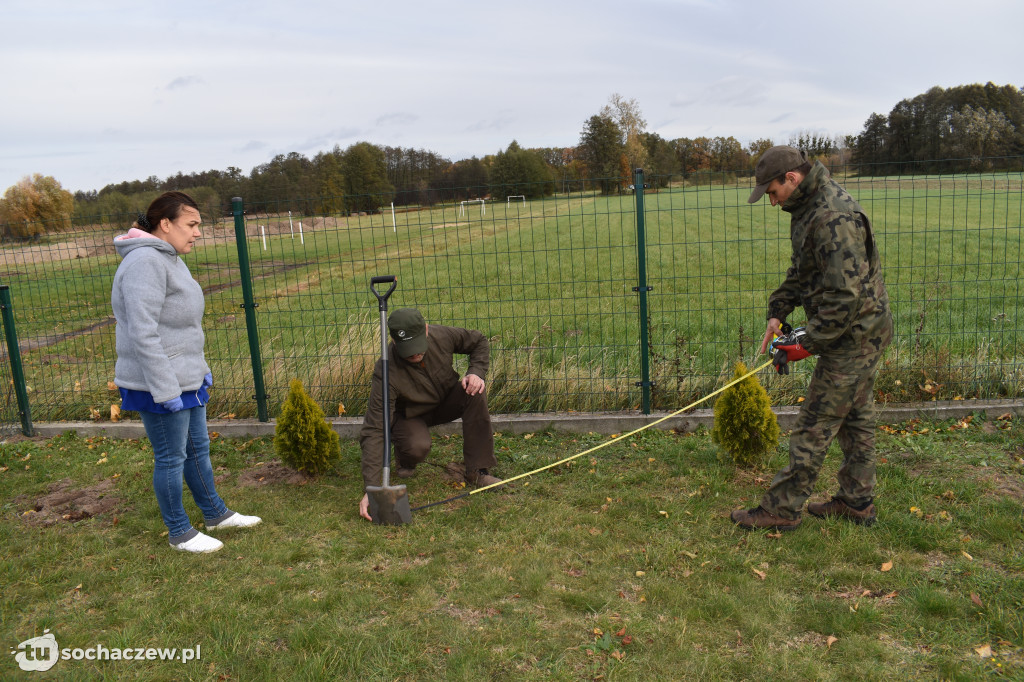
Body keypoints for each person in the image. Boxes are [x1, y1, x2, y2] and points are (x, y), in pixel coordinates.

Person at [730, 146, 893, 532]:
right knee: (855, 418)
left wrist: (806, 341)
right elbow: (805, 270)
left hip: (857, 334)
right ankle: (856, 502)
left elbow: (843, 298)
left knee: (814, 422)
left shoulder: (832, 217)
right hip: (853, 329)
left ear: (792, 177)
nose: (771, 201)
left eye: (771, 192)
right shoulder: (807, 208)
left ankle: (781, 510)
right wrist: (779, 309)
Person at [112, 191, 261, 553]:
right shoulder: (144, 262)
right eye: (191, 224)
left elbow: (181, 326)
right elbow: (143, 333)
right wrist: (166, 391)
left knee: (198, 450)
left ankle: (214, 513)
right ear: (166, 224)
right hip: (159, 384)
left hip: (185, 378)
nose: (197, 233)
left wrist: (198, 371)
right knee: (171, 457)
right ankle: (179, 532)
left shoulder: (170, 258)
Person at [358, 308, 501, 520]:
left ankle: (478, 470)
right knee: (417, 447)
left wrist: (475, 372)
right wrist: (372, 487)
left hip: (445, 402)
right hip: (411, 416)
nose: (415, 354)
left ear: (426, 330)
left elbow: (478, 340)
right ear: (395, 342)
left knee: (475, 390)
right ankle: (406, 458)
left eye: (418, 346)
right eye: (408, 349)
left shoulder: (441, 335)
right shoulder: (386, 371)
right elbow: (375, 428)